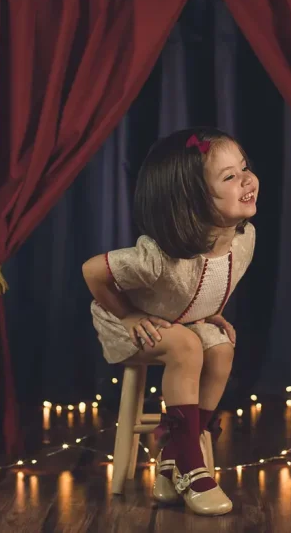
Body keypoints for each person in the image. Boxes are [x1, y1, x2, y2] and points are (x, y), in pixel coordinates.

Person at [82, 127, 258, 516]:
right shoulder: (157, 257)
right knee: (187, 346)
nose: (247, 180)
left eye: (244, 168)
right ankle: (192, 465)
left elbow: (198, 284)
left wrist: (207, 311)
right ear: (192, 200)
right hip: (127, 323)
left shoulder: (243, 240)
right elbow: (93, 271)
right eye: (229, 177)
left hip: (180, 319)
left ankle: (174, 456)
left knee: (221, 346)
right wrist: (127, 314)